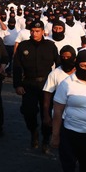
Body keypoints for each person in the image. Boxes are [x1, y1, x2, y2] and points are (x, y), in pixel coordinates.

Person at [12, 20, 58, 152]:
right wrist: (17, 85)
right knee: (28, 111)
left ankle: (46, 139)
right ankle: (33, 131)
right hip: (29, 84)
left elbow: (59, 64)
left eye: (37, 31)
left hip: (47, 84)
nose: (34, 33)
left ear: (43, 31)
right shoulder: (23, 46)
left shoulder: (50, 46)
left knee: (47, 113)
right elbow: (17, 66)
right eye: (32, 31)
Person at [42, 46, 78, 172]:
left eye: (69, 57)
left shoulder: (81, 72)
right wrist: (46, 115)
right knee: (65, 146)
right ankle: (68, 170)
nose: (66, 59)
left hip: (79, 116)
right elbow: (47, 95)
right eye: (63, 57)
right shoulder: (55, 74)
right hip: (61, 116)